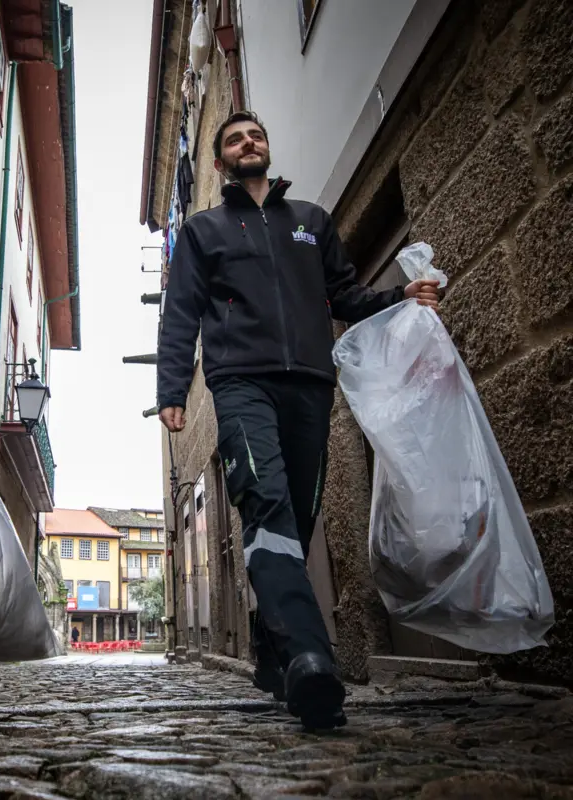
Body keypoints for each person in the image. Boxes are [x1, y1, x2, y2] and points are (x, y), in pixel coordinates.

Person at [156, 111, 441, 731]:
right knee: (267, 507)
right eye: (233, 139)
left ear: (266, 146)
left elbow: (345, 294)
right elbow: (179, 314)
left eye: (254, 134)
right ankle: (312, 656)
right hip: (241, 383)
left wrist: (400, 298)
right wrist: (172, 386)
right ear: (218, 163)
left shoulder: (310, 221)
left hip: (310, 385)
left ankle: (271, 642)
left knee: (298, 519)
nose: (247, 142)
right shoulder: (205, 231)